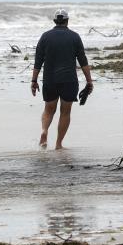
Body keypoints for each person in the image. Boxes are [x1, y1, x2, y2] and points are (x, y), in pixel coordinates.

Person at [31, 8, 93, 150]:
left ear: (54, 21)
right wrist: (89, 81)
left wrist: (33, 81)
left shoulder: (45, 37)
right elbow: (83, 61)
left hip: (49, 80)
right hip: (68, 80)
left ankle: (44, 131)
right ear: (67, 20)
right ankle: (58, 144)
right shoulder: (74, 37)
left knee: (48, 110)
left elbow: (38, 61)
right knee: (65, 112)